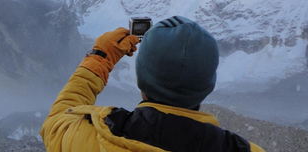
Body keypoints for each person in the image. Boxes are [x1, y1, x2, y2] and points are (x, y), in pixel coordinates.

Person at [40, 15, 266, 151]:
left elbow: (55, 122)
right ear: (208, 86)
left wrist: (100, 58)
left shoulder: (92, 137)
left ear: (141, 81)